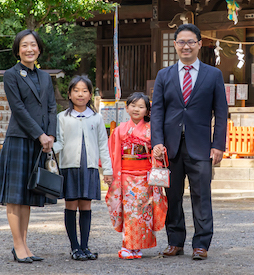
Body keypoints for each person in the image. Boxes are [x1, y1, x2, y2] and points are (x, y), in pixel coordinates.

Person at [151, 23, 228, 261]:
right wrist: (157, 142)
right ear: (175, 45)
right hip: (170, 148)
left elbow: (221, 112)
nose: (186, 46)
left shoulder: (213, 74)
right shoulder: (164, 75)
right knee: (172, 196)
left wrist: (218, 145)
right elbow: (157, 112)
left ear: (199, 44)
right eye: (181, 42)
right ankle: (175, 241)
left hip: (201, 146)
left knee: (201, 195)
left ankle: (201, 244)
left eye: (191, 42)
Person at [0, 29, 57, 264]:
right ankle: (17, 246)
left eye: (33, 45)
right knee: (14, 196)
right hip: (20, 139)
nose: (29, 49)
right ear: (18, 50)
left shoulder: (45, 77)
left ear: (39, 49)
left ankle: (25, 245)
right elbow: (18, 109)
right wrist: (40, 134)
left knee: (28, 194)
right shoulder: (11, 75)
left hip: (40, 142)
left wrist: (50, 134)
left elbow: (52, 107)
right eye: (24, 45)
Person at [53, 75, 113, 261]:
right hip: (69, 167)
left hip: (90, 167)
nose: (80, 94)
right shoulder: (61, 117)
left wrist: (108, 171)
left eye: (84, 91)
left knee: (86, 205)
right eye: (76, 91)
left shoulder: (96, 118)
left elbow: (103, 145)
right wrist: (47, 148)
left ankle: (85, 247)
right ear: (69, 94)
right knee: (71, 204)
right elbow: (59, 142)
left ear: (90, 95)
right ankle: (74, 248)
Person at [105, 92, 167, 260]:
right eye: (133, 105)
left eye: (141, 106)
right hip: (125, 175)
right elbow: (111, 153)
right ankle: (128, 245)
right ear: (126, 108)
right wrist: (109, 173)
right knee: (129, 212)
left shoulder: (151, 129)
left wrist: (159, 152)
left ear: (147, 111)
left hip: (145, 176)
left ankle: (136, 246)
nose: (136, 109)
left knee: (142, 212)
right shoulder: (119, 130)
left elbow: (158, 151)